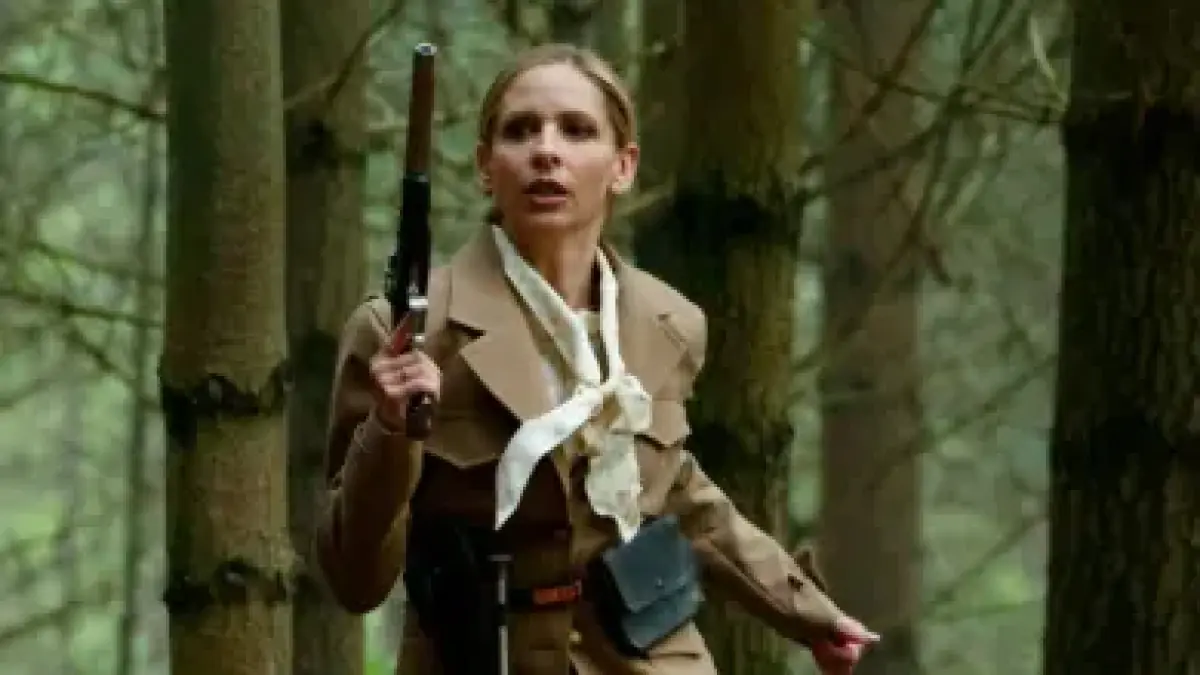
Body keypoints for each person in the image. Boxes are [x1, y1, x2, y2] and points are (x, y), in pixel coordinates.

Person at [315, 43, 878, 675]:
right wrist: (390, 430)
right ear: (485, 165)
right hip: (483, 655)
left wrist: (807, 613)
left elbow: (680, 494)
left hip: (649, 653)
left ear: (623, 166)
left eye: (577, 130)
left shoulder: (668, 323)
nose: (546, 151)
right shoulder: (409, 335)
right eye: (520, 130)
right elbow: (354, 577)